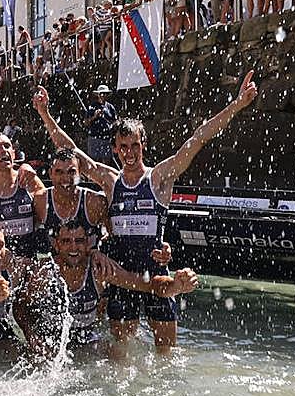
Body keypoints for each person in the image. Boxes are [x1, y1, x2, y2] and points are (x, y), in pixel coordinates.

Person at [32, 71, 257, 351]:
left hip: (157, 274)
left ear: (143, 145)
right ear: (114, 148)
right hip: (121, 276)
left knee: (165, 358)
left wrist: (237, 105)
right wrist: (45, 114)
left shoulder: (159, 178)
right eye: (123, 147)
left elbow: (198, 139)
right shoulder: (111, 182)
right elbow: (72, 151)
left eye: (135, 146)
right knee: (122, 357)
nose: (129, 152)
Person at [14, 220, 200, 360]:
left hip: (86, 337)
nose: (73, 247)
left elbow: (146, 284)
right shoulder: (43, 272)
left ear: (88, 244)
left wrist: (176, 286)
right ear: (56, 244)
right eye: (66, 241)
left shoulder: (99, 271)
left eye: (79, 241)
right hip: (50, 340)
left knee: (121, 358)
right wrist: (33, 337)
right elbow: (20, 307)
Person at [42, 148, 108, 248]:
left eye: (71, 172)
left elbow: (113, 235)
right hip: (54, 263)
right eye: (59, 172)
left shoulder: (95, 202)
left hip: (89, 262)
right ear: (50, 174)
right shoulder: (40, 202)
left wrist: (100, 253)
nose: (66, 178)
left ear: (80, 173)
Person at [83, 85, 117, 165]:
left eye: (105, 94)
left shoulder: (110, 107)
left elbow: (115, 122)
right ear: (98, 95)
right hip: (94, 138)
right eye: (102, 94)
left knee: (107, 162)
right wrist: (94, 117)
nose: (103, 96)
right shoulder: (92, 107)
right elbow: (86, 123)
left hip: (107, 138)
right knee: (94, 162)